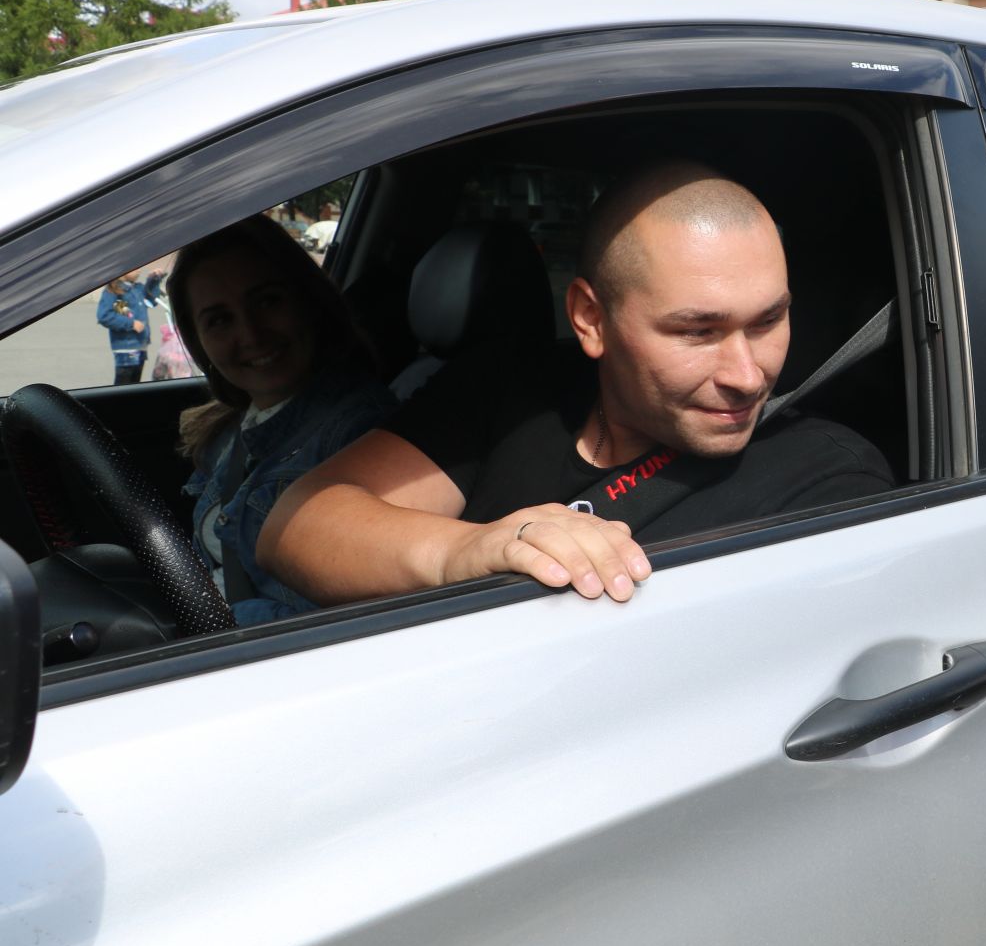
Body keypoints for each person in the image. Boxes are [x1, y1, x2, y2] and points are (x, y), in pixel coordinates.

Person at [258, 161, 894, 605]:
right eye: (697, 332)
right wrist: (471, 551)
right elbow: (298, 524)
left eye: (768, 320)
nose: (747, 375)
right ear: (591, 318)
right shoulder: (510, 390)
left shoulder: (827, 484)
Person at [170, 215, 395, 624]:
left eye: (267, 301)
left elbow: (342, 617)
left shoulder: (358, 433)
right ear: (199, 342)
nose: (252, 334)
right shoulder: (231, 427)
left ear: (308, 301)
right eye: (220, 320)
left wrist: (218, 621)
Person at [96, 266, 164, 384]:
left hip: (140, 345)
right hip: (125, 347)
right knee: (124, 385)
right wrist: (131, 323)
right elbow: (104, 316)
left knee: (135, 385)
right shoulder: (113, 290)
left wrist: (153, 280)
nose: (139, 270)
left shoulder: (137, 288)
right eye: (135, 267)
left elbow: (151, 300)